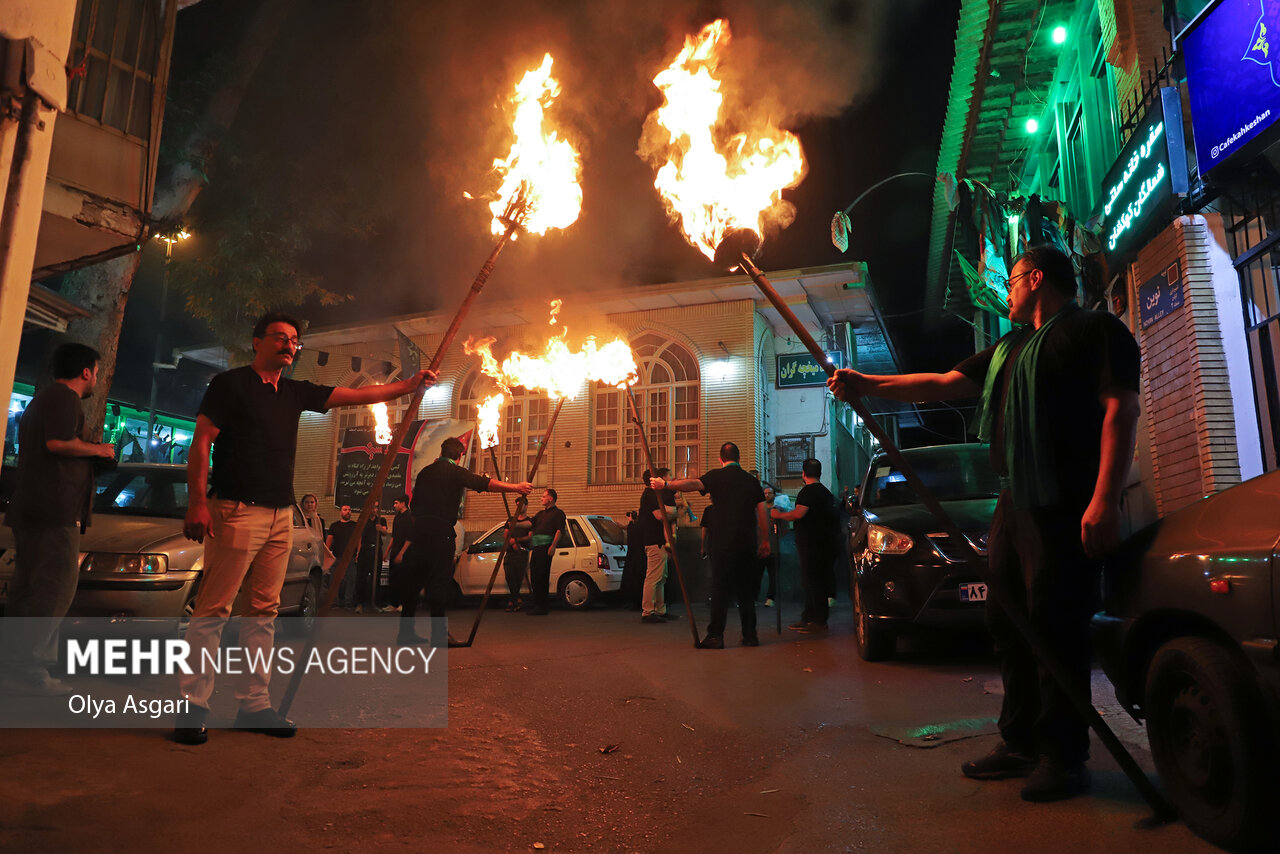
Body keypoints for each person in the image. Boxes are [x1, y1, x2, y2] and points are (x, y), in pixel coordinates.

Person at [826, 245, 1141, 802]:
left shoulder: (1097, 332)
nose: (1008, 290)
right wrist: (867, 385)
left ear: (1038, 279)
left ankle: (1063, 757)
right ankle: (1019, 741)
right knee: (1009, 620)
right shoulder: (1009, 348)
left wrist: (1105, 499)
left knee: (1055, 626)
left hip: (1065, 501)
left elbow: (1121, 410)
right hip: (1014, 502)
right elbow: (945, 383)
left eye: (1014, 280)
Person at [175, 311, 437, 746]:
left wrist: (409, 387)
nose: (288, 345)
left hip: (282, 514)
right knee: (215, 610)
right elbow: (202, 440)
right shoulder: (231, 385)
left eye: (294, 340)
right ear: (256, 342)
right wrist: (198, 502)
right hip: (236, 509)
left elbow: (356, 395)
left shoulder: (295, 392)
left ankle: (253, 704)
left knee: (264, 611)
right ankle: (192, 708)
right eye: (279, 337)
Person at [1, 343, 115, 695]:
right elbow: (58, 443)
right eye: (96, 372)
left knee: (27, 588)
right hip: (54, 510)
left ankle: (11, 664)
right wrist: (99, 450)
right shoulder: (65, 399)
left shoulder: (41, 400)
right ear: (85, 372)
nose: (96, 378)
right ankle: (30, 669)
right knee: (55, 589)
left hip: (31, 507)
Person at [400, 437, 530, 645]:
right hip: (441, 533)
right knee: (439, 584)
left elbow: (414, 507)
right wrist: (516, 487)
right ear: (459, 455)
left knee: (413, 584)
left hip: (419, 532)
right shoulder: (456, 472)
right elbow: (484, 483)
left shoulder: (425, 472)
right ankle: (439, 635)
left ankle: (405, 633)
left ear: (442, 451)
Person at [653, 442, 768, 649]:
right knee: (746, 592)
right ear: (739, 458)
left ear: (720, 459)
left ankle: (716, 636)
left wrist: (666, 485)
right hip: (747, 544)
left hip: (722, 543)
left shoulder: (715, 476)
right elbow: (762, 513)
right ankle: (750, 636)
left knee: (720, 589)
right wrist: (766, 540)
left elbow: (693, 484)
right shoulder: (752, 482)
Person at [771, 459, 838, 633]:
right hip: (825, 543)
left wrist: (779, 514)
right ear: (820, 473)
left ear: (803, 473)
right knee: (812, 581)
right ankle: (808, 617)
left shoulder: (807, 492)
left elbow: (799, 513)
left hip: (811, 545)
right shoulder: (826, 493)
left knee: (813, 582)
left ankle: (819, 621)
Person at [638, 467, 678, 623]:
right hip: (654, 540)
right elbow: (659, 515)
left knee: (661, 577)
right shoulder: (649, 494)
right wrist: (675, 511)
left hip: (658, 541)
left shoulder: (652, 495)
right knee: (653, 577)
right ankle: (648, 611)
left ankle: (661, 610)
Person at [526, 488, 566, 615]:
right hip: (536, 548)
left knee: (542, 576)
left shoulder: (558, 513)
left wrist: (553, 546)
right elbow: (529, 523)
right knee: (535, 576)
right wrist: (514, 523)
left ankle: (542, 606)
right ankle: (537, 604)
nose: (541, 498)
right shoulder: (540, 514)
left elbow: (559, 530)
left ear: (550, 498)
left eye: (543, 496)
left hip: (545, 547)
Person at [355, 499, 388, 613]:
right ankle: (360, 603)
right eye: (372, 507)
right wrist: (358, 552)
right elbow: (359, 537)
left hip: (376, 550)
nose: (374, 510)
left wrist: (381, 529)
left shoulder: (381, 520)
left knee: (376, 577)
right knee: (361, 577)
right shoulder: (363, 520)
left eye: (376, 507)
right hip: (364, 549)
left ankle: (375, 603)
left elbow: (385, 532)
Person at [503, 495, 533, 612]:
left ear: (526, 505)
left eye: (521, 505)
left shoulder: (529, 521)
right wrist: (511, 543)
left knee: (518, 577)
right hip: (510, 552)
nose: (518, 508)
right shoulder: (511, 520)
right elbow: (506, 534)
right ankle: (517, 599)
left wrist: (517, 541)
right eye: (517, 505)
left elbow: (530, 536)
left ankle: (513, 601)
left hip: (522, 552)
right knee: (509, 576)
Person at [325, 504, 358, 606]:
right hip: (337, 556)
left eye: (349, 510)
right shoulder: (334, 526)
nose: (348, 511)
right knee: (335, 579)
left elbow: (359, 539)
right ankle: (335, 601)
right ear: (341, 512)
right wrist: (326, 554)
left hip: (351, 557)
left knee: (351, 579)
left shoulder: (354, 525)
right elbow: (329, 540)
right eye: (345, 510)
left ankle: (348, 601)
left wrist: (358, 552)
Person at [385, 493, 413, 612]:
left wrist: (402, 553)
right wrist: (387, 551)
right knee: (393, 577)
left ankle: (403, 603)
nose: (394, 505)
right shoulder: (397, 518)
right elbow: (394, 536)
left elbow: (410, 538)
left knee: (404, 579)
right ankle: (394, 603)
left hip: (405, 553)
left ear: (403, 503)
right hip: (395, 551)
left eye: (396, 503)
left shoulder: (410, 517)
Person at [757, 484, 783, 607]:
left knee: (773, 575)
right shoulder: (758, 511)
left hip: (774, 548)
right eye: (765, 493)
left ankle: (770, 598)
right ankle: (754, 597)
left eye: (769, 493)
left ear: (774, 495)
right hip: (760, 547)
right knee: (756, 574)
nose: (767, 495)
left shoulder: (777, 510)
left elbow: (785, 529)